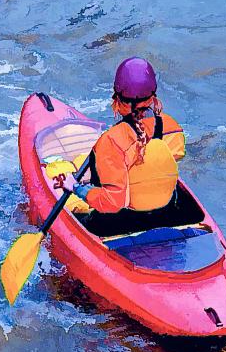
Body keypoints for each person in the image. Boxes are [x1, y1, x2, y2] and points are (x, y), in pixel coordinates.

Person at [65, 57, 202, 237]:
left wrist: (77, 189)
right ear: (153, 97)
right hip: (167, 216)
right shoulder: (172, 127)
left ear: (117, 98)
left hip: (119, 224)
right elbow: (164, 161)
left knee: (76, 212)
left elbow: (113, 203)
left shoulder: (111, 141)